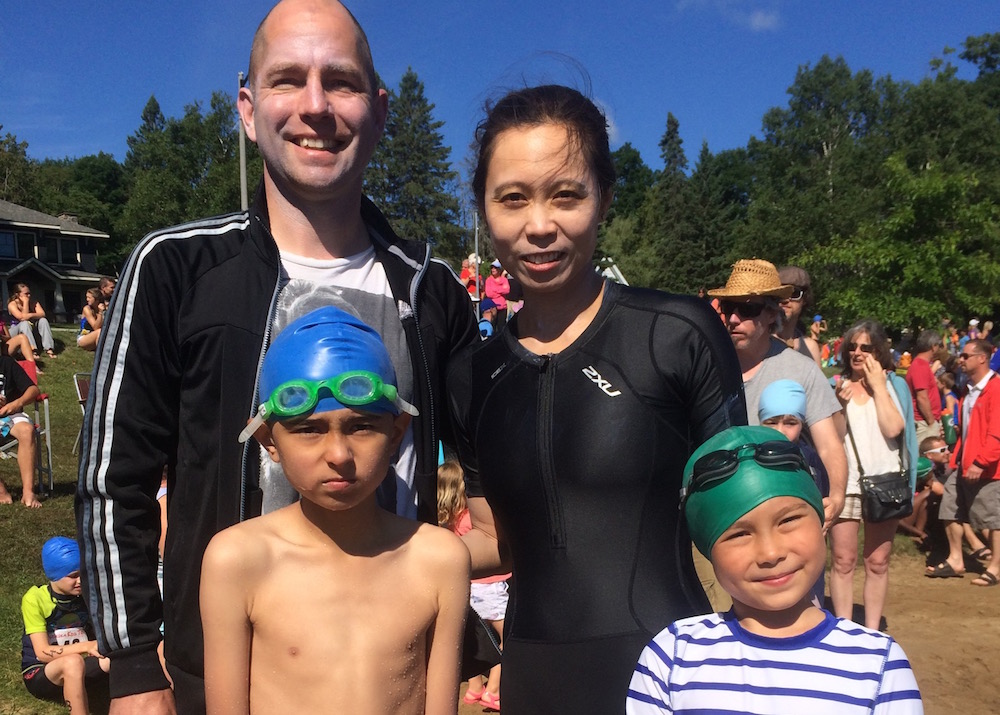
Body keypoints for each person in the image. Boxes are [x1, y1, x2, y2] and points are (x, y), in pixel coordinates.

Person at [76, 2, 479, 711]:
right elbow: (115, 478)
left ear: (379, 109)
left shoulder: (431, 288)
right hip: (211, 679)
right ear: (247, 105)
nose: (315, 106)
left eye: (342, 81)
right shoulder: (176, 267)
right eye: (288, 79)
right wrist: (136, 663)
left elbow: (494, 474)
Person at [448, 84, 746, 714]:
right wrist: (370, 550)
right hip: (533, 678)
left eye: (566, 195)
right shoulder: (472, 373)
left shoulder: (677, 333)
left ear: (604, 199)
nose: (539, 226)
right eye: (512, 199)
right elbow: (491, 539)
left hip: (676, 675)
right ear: (484, 210)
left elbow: (745, 519)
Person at [201, 307, 468, 714]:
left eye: (361, 426)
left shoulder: (438, 558)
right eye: (309, 429)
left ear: (395, 433)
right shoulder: (238, 559)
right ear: (268, 440)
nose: (339, 455)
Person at [626, 426, 923, 714]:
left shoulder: (878, 665)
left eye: (788, 521)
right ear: (707, 550)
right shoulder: (673, 657)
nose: (770, 553)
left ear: (822, 520)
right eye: (739, 534)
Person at [707, 259, 847, 529]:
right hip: (722, 514)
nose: (734, 318)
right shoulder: (706, 365)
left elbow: (829, 444)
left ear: (772, 314)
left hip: (785, 513)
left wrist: (837, 496)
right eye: (728, 307)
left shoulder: (800, 369)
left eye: (748, 308)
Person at [830, 320, 909, 630]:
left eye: (865, 347)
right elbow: (834, 438)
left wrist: (877, 387)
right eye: (852, 346)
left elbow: (893, 428)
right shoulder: (836, 385)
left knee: (877, 562)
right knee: (842, 561)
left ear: (879, 351)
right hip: (846, 482)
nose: (857, 352)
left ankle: (873, 632)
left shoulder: (893, 386)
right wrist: (838, 404)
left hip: (885, 483)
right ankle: (843, 630)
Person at [925, 339, 1000, 586]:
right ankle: (956, 558)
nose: (961, 360)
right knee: (950, 506)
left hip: (987, 467)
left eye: (966, 356)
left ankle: (995, 568)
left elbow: (996, 433)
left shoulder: (995, 389)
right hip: (964, 462)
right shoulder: (969, 390)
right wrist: (958, 456)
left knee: (991, 518)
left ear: (982, 358)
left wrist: (981, 461)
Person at [437, 460, 506, 712]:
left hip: (468, 589)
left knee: (475, 640)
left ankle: (475, 687)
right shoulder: (471, 518)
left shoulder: (443, 520)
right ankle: (494, 691)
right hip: (490, 588)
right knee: (505, 636)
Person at [21, 537, 110, 714]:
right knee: (72, 662)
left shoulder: (88, 594)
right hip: (43, 672)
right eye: (73, 576)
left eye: (83, 574)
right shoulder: (35, 599)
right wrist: (87, 646)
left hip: (84, 664)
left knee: (121, 656)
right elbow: (43, 653)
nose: (80, 581)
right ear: (54, 574)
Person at [0, 352, 41, 507]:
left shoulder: (7, 363)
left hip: (11, 414)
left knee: (27, 431)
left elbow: (33, 390)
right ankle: (1, 490)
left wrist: (16, 403)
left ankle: (29, 492)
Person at [774, 265, 822, 366]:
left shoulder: (811, 347)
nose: (785, 299)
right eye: (780, 293)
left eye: (794, 293)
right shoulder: (759, 341)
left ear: (804, 299)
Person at [906, 330, 943, 444]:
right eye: (939, 345)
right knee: (926, 459)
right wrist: (932, 422)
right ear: (933, 346)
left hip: (927, 421)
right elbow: (922, 397)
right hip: (924, 423)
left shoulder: (923, 365)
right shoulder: (920, 366)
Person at [7, 282, 57, 359]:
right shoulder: (12, 304)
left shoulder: (33, 302)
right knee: (24, 323)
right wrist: (26, 302)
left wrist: (31, 315)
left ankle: (49, 348)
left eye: (29, 293)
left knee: (43, 320)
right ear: (17, 294)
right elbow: (22, 318)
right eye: (26, 294)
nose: (29, 296)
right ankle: (32, 350)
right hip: (16, 333)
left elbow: (42, 314)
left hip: (30, 330)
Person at [484, 260, 509, 328]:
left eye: (495, 268)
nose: (493, 269)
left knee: (502, 327)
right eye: (492, 268)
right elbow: (489, 294)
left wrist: (495, 290)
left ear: (499, 269)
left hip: (502, 307)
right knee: (492, 327)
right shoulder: (488, 280)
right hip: (492, 308)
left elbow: (507, 290)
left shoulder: (504, 280)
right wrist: (501, 291)